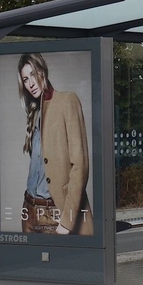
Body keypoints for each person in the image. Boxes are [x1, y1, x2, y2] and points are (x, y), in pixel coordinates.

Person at [17, 53, 93, 235]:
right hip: (29, 208)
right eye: (26, 79)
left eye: (33, 75)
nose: (31, 83)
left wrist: (67, 221)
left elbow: (80, 165)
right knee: (29, 264)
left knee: (58, 263)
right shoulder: (34, 111)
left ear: (43, 71)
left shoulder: (67, 100)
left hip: (54, 211)